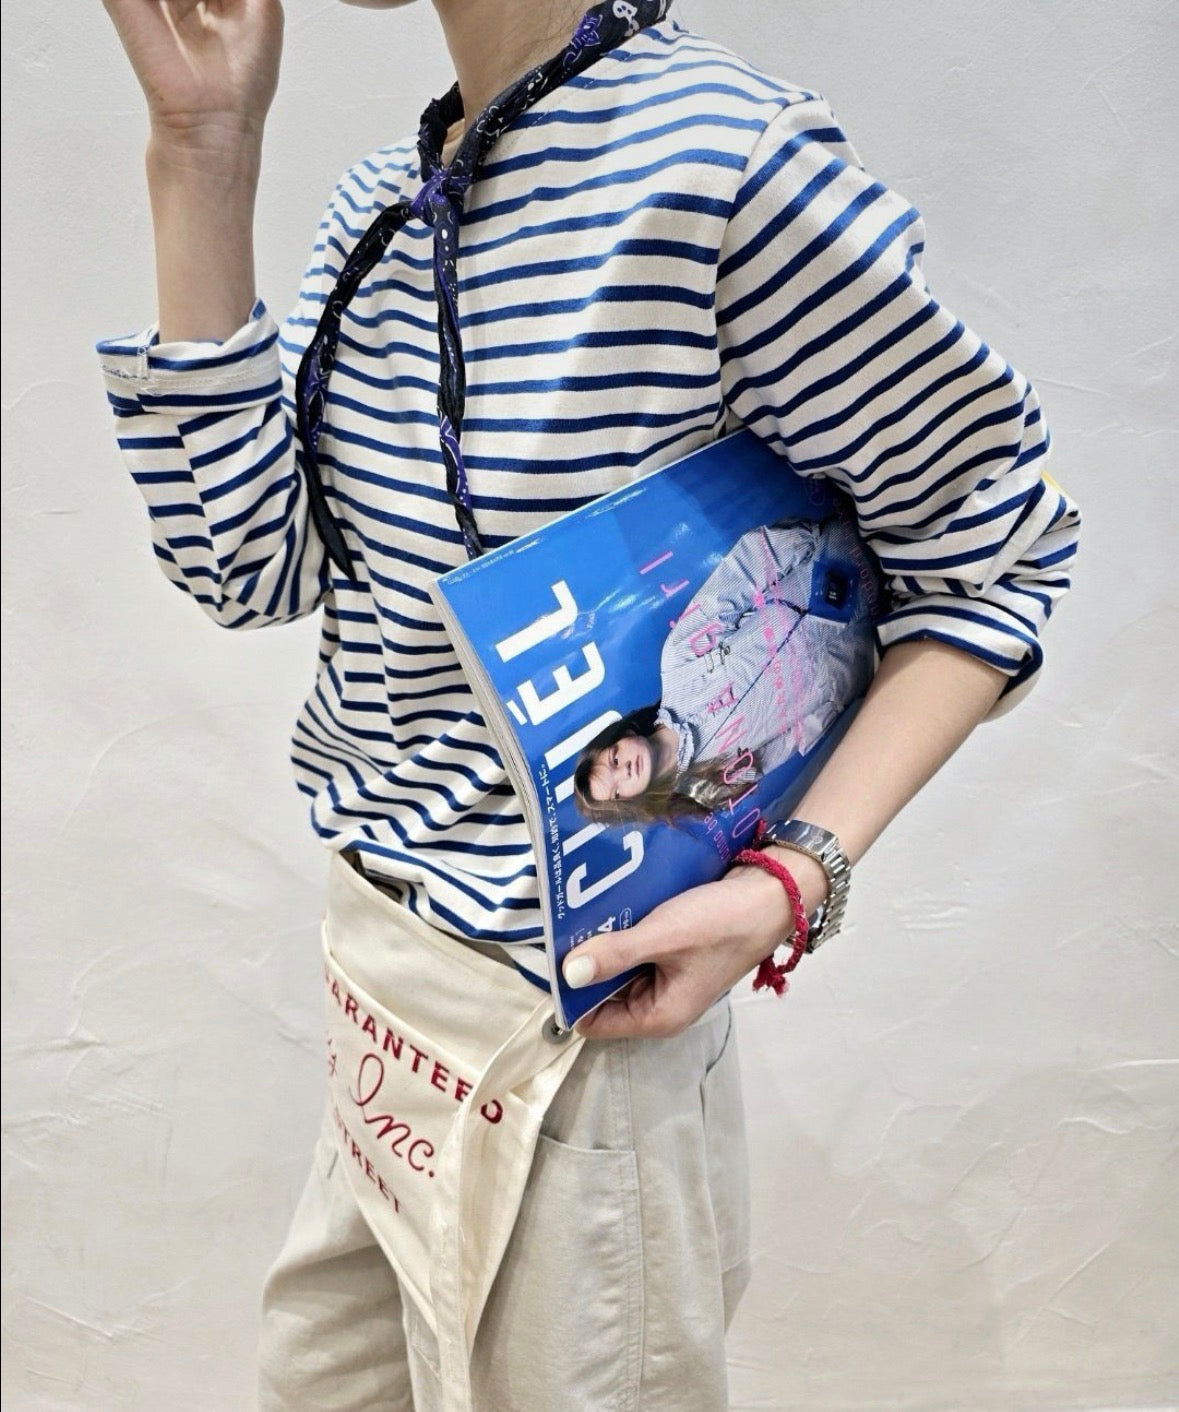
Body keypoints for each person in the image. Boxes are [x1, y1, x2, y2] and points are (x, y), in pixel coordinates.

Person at [97, 0, 1081, 1407]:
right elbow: (245, 569)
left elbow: (994, 552)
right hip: (379, 1000)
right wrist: (200, 151)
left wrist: (794, 879)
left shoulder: (725, 167)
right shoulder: (390, 204)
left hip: (572, 1046)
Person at [573, 514, 883, 827]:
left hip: (845, 555)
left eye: (614, 759)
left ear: (625, 734)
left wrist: (817, 547)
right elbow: (790, 743)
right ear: (630, 803)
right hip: (875, 641)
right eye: (617, 792)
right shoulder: (715, 786)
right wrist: (843, 686)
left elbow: (746, 569)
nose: (625, 771)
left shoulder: (677, 661)